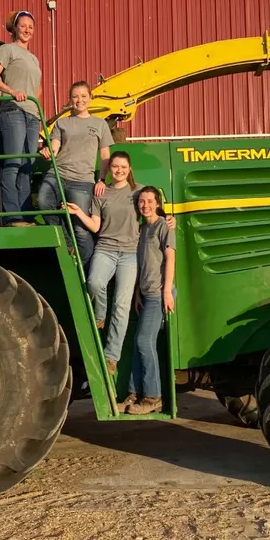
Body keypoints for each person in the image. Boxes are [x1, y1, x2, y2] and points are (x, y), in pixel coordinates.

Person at [66, 152, 176, 379]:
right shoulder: (101, 192)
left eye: (123, 167)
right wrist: (78, 213)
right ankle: (100, 314)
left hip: (129, 254)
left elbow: (154, 213)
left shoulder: (139, 191)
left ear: (129, 168)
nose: (119, 170)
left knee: (122, 305)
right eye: (115, 167)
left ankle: (111, 358)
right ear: (110, 168)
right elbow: (96, 227)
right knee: (95, 283)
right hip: (105, 248)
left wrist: (169, 219)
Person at [38, 81, 112, 266]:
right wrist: (48, 152)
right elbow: (54, 147)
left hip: (82, 180)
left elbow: (104, 155)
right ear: (70, 100)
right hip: (58, 174)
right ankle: (67, 243)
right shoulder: (62, 123)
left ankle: (87, 268)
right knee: (43, 202)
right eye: (75, 96)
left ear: (90, 98)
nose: (79, 100)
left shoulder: (100, 124)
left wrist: (101, 180)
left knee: (81, 229)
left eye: (83, 96)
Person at [0, 11, 42, 226]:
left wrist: (37, 108)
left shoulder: (34, 58)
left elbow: (37, 87)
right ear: (14, 28)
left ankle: (26, 215)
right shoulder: (6, 49)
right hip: (13, 111)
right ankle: (12, 215)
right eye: (23, 26)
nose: (27, 30)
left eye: (31, 27)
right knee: (13, 162)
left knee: (27, 165)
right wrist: (10, 91)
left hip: (32, 114)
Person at [125, 186, 176, 415]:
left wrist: (166, 292)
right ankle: (133, 395)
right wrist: (137, 292)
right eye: (142, 201)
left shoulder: (164, 226)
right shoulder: (143, 228)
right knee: (138, 343)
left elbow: (170, 259)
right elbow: (142, 262)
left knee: (145, 342)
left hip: (158, 294)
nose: (145, 205)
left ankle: (153, 397)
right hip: (145, 294)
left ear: (157, 203)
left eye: (149, 201)